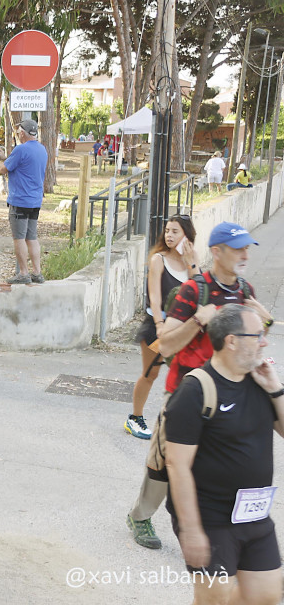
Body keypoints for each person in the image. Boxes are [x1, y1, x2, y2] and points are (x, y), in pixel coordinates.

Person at [126, 221, 272, 550]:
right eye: (238, 249)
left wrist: (265, 323)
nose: (245, 255)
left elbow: (253, 340)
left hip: (231, 391)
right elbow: (165, 344)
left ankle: (222, 525)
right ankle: (140, 516)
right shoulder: (194, 290)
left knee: (227, 460)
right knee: (165, 461)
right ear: (217, 252)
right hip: (188, 391)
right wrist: (197, 320)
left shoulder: (246, 292)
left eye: (247, 249)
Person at [165, 304, 283, 605]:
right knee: (215, 598)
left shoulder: (260, 381)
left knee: (266, 595)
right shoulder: (195, 391)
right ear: (231, 341)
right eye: (257, 335)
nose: (264, 342)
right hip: (211, 517)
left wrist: (275, 389)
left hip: (254, 515)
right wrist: (191, 529)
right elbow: (177, 465)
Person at [127, 216, 198, 440]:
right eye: (167, 231)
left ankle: (182, 422)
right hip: (157, 326)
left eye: (175, 231)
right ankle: (135, 418)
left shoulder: (192, 261)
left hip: (183, 329)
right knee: (151, 373)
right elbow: (155, 298)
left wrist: (192, 262)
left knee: (188, 376)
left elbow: (199, 290)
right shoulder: (159, 260)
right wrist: (160, 325)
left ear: (187, 236)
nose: (169, 235)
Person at [0, 118, 47, 284]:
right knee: (32, 237)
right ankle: (37, 272)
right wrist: (5, 157)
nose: (18, 134)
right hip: (35, 201)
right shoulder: (42, 149)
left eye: (19, 131)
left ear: (22, 133)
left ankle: (23, 273)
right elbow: (22, 165)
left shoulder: (20, 149)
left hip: (20, 200)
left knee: (19, 238)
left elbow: (3, 169)